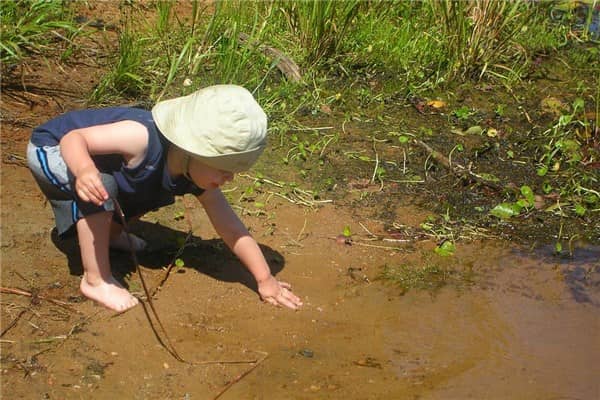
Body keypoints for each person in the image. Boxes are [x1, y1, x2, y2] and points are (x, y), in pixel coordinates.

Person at [27, 84, 303, 312]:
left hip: (96, 162)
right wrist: (84, 170)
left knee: (145, 189)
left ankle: (108, 236)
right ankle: (96, 279)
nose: (228, 179)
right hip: (53, 150)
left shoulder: (193, 172)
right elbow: (74, 140)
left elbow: (232, 229)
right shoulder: (140, 137)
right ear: (194, 150)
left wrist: (265, 279)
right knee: (104, 184)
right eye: (224, 169)